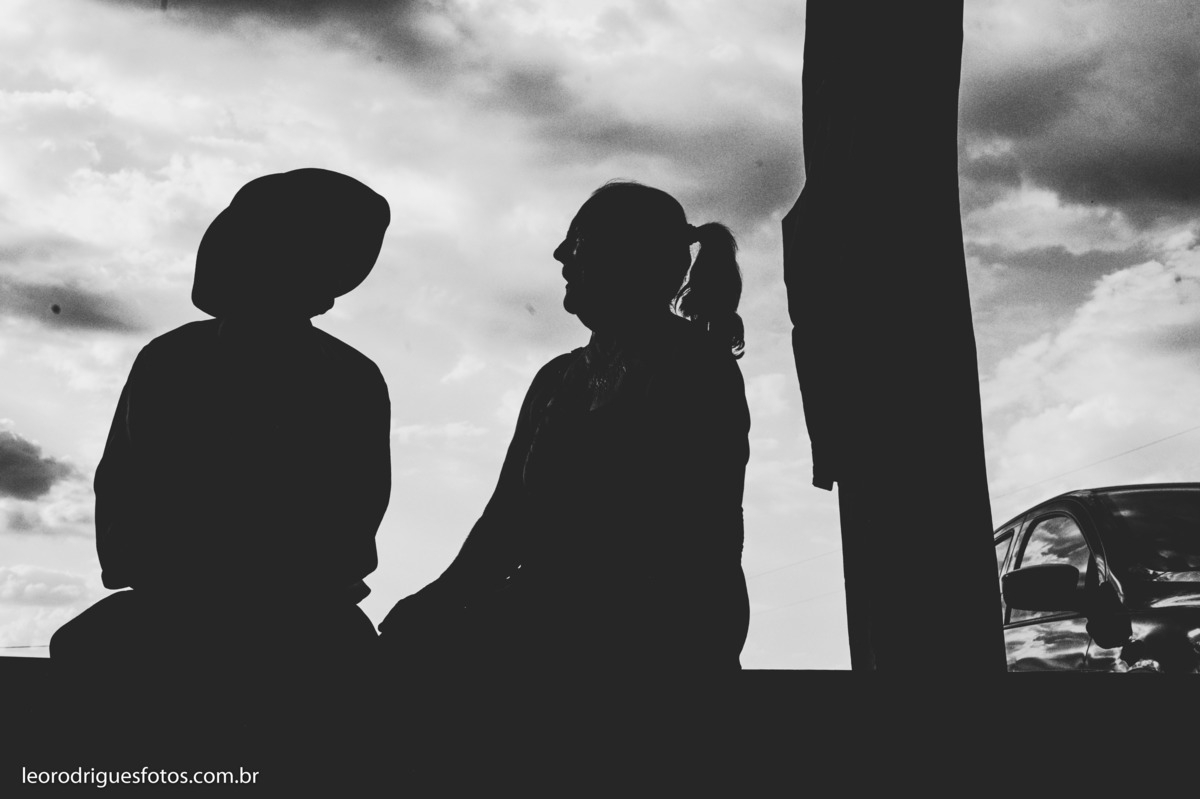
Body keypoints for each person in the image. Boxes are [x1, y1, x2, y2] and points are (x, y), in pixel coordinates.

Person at [379, 180, 750, 676]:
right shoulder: (556, 378)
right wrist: (437, 600)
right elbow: (505, 520)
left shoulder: (694, 368)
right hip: (549, 612)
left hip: (652, 633)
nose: (559, 255)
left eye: (577, 242)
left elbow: (679, 537)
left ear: (629, 258)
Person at [50, 168, 393, 704]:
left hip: (294, 617)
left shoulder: (351, 378)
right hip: (189, 606)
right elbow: (124, 493)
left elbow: (351, 515)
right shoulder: (170, 361)